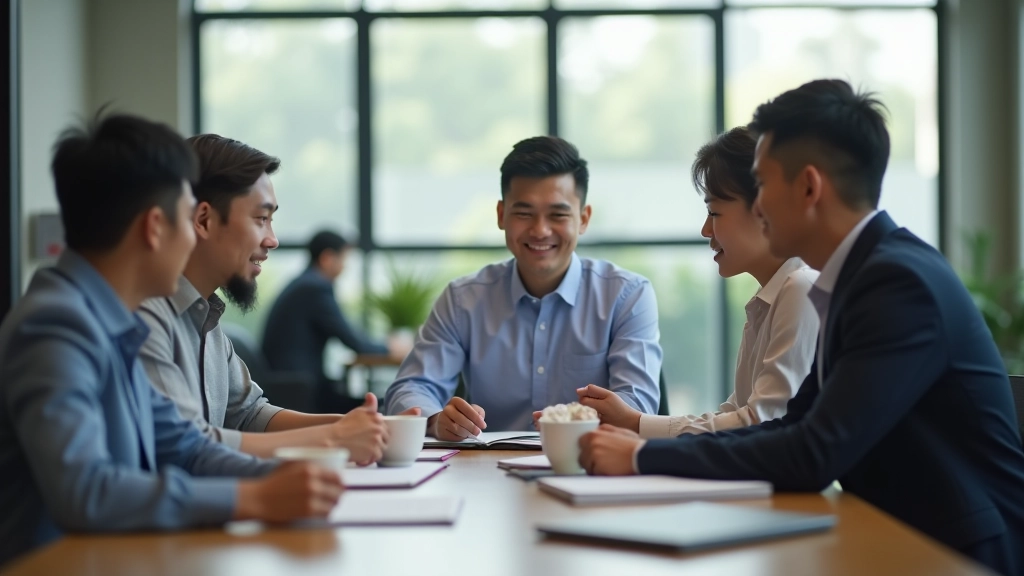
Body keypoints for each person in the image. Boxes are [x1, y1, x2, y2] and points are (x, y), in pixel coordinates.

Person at [578, 79, 1024, 575]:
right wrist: (644, 448)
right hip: (892, 537)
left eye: (763, 184)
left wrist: (642, 457)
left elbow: (814, 453)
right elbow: (793, 426)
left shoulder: (897, 284)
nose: (759, 204)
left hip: (954, 554)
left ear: (809, 187)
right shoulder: (858, 275)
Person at [0, 114, 343, 566]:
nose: (192, 240)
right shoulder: (57, 324)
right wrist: (254, 499)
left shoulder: (107, 321)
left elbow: (186, 445)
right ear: (154, 227)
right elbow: (86, 491)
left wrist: (291, 476)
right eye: (187, 218)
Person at [138, 134, 415, 463]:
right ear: (203, 220)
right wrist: (334, 437)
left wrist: (364, 426)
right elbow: (186, 448)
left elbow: (249, 415)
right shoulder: (145, 317)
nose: (272, 240)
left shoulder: (207, 319)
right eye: (261, 219)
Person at [384, 135, 662, 437]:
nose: (540, 230)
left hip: (593, 465)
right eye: (524, 213)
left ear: (583, 219)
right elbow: (412, 388)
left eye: (558, 214)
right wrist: (435, 420)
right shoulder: (463, 299)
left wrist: (573, 420)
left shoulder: (627, 296)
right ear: (502, 215)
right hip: (486, 474)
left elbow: (638, 407)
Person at [570, 127, 818, 437]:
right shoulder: (772, 296)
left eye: (714, 212)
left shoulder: (801, 288)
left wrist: (636, 423)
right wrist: (634, 421)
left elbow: (762, 421)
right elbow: (737, 412)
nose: (705, 230)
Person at [262, 230, 410, 414]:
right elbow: (354, 341)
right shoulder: (315, 289)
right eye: (343, 259)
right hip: (302, 392)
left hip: (295, 386)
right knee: (382, 405)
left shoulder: (303, 284)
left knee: (377, 402)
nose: (344, 267)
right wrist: (391, 348)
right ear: (327, 258)